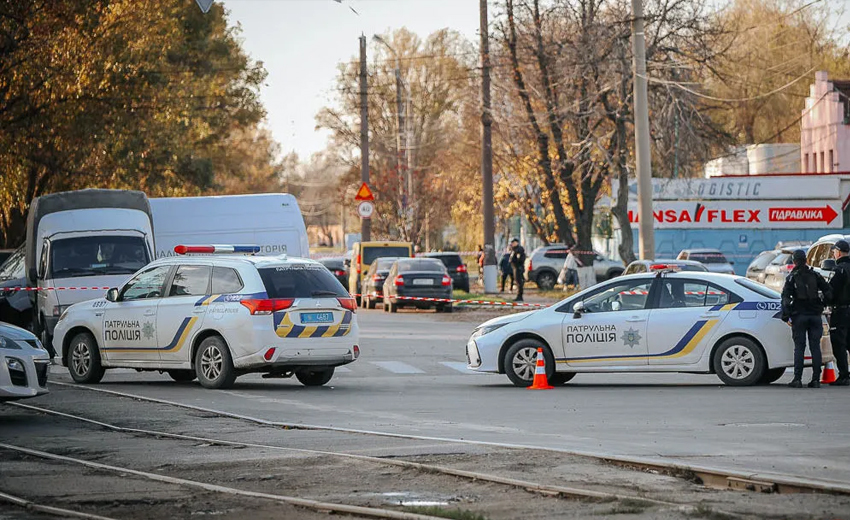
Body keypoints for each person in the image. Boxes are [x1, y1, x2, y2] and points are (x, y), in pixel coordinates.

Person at [781, 249, 832, 388]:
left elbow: (785, 298)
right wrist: (822, 305)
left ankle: (797, 379)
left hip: (799, 316)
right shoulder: (815, 275)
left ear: (794, 261)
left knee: (799, 347)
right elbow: (828, 291)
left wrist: (786, 316)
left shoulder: (792, 277)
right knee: (815, 347)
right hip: (815, 316)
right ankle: (815, 380)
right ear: (806, 260)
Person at [828, 239, 850, 386]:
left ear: (839, 252)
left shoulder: (839, 270)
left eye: (834, 251)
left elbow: (831, 292)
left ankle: (844, 375)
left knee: (839, 344)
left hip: (841, 312)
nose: (834, 254)